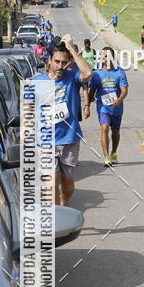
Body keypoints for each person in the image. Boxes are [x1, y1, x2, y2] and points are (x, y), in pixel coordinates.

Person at [33, 34, 93, 205]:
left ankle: (63, 207)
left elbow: (87, 73)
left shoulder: (72, 78)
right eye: (57, 61)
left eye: (64, 62)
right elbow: (27, 113)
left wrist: (72, 49)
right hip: (46, 141)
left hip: (69, 140)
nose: (60, 66)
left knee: (67, 185)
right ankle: (57, 221)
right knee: (52, 183)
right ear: (49, 61)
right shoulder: (37, 83)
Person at [89, 46, 129, 166]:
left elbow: (124, 90)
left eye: (108, 56)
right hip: (103, 107)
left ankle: (114, 152)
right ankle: (106, 157)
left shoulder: (120, 72)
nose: (106, 58)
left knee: (115, 131)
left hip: (117, 108)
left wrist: (120, 99)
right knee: (104, 128)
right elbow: (92, 91)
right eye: (104, 56)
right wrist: (89, 101)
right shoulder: (97, 74)